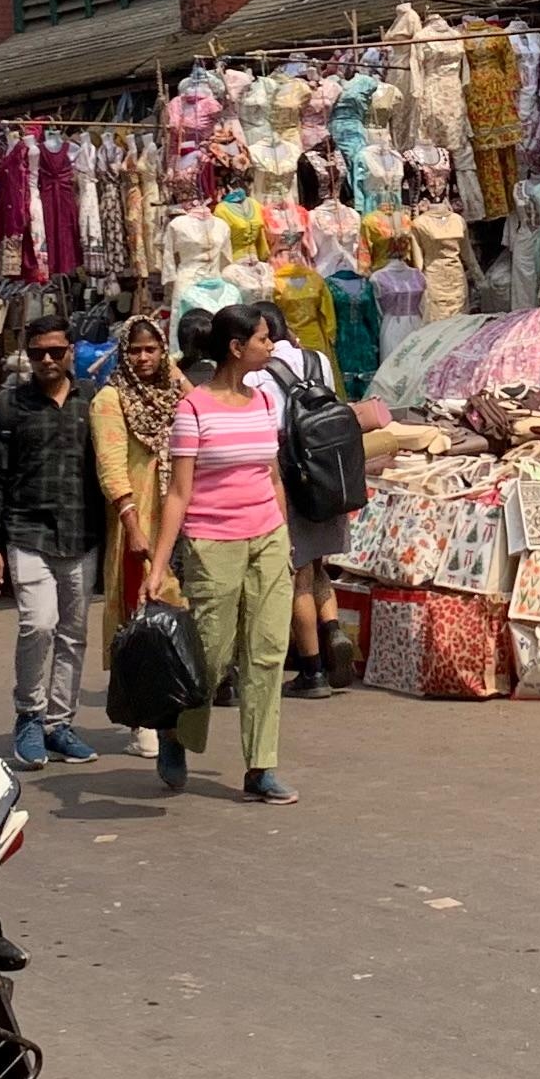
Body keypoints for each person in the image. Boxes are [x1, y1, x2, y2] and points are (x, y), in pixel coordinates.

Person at [150, 301, 297, 802]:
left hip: (268, 539)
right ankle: (176, 733)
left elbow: (271, 476)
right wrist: (159, 565)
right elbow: (178, 493)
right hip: (212, 543)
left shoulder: (264, 402)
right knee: (210, 657)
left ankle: (261, 767)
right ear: (237, 347)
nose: (271, 345)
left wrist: (284, 537)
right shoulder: (193, 409)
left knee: (267, 652)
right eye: (263, 338)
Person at [0, 313, 106, 769]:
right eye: (37, 353)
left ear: (71, 351)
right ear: (27, 356)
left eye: (56, 351)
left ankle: (60, 724)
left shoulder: (94, 401)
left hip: (83, 534)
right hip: (27, 532)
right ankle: (29, 715)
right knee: (39, 625)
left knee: (74, 635)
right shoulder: (11, 405)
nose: (47, 360)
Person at [90, 313, 182, 759]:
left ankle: (173, 710)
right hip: (138, 522)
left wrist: (176, 373)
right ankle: (141, 720)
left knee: (176, 618)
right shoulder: (110, 399)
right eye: (135, 350)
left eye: (152, 349)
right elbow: (110, 466)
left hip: (179, 518)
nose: (144, 358)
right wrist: (131, 524)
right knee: (138, 618)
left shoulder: (174, 395)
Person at [257, 308, 352, 702]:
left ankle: (312, 670)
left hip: (290, 473)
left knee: (298, 575)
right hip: (328, 468)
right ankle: (332, 629)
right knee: (318, 565)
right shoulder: (318, 360)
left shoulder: (259, 375)